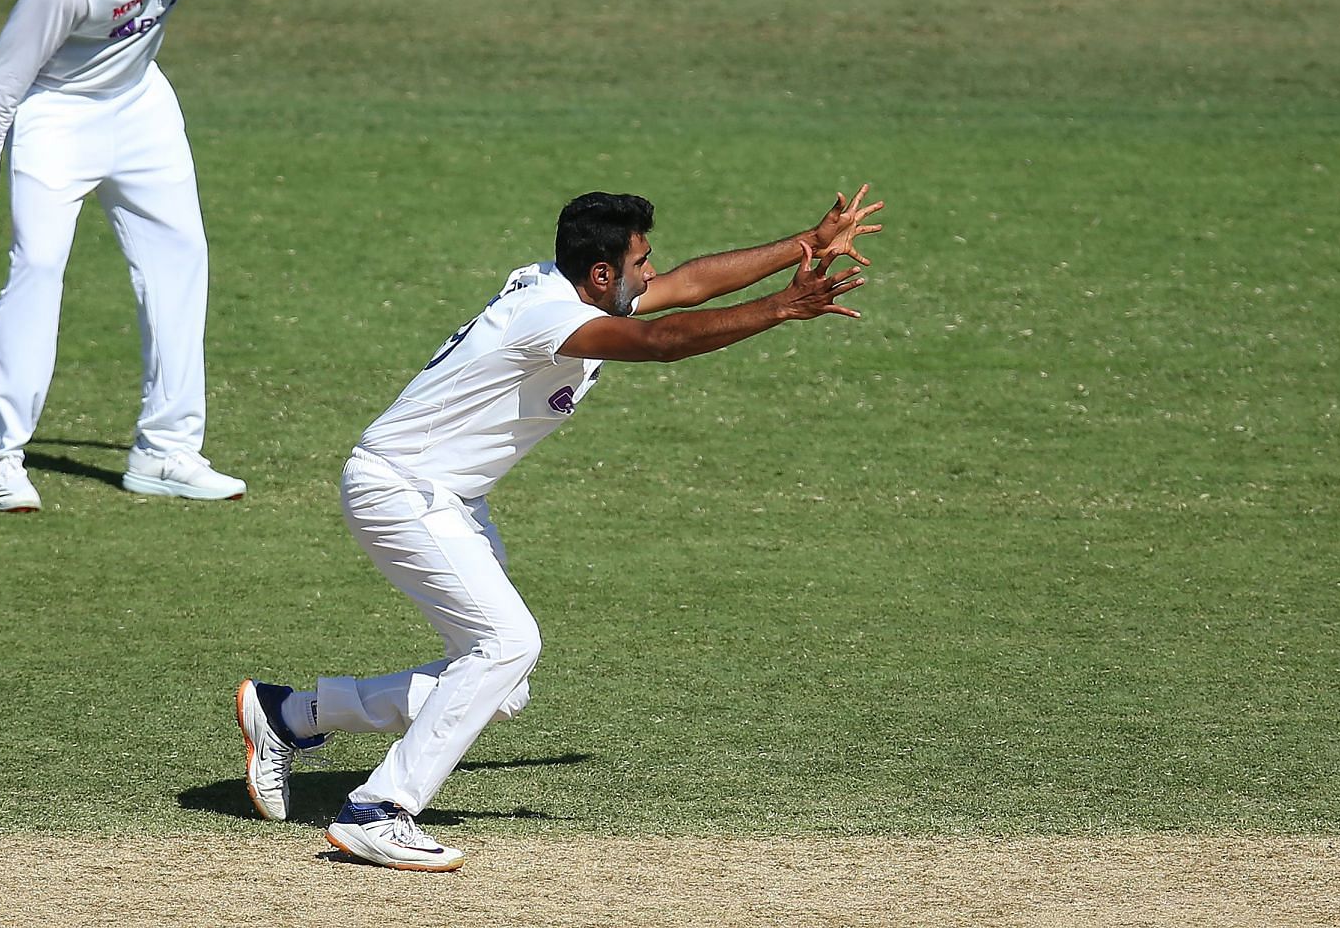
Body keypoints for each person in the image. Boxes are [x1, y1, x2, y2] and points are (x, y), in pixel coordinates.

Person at [235, 184, 883, 871]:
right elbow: (662, 342)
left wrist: (807, 243)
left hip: (448, 497)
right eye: (642, 262)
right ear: (601, 274)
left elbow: (688, 287)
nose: (653, 274)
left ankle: (292, 717)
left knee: (499, 687)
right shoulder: (548, 317)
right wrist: (784, 305)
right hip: (402, 489)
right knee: (508, 644)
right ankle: (379, 811)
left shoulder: (573, 290)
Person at [0, 0, 487, 512]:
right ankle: (2, 457)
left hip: (140, 103)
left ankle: (166, 452)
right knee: (39, 271)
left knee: (179, 263)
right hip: (58, 116)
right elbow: (1, 81)